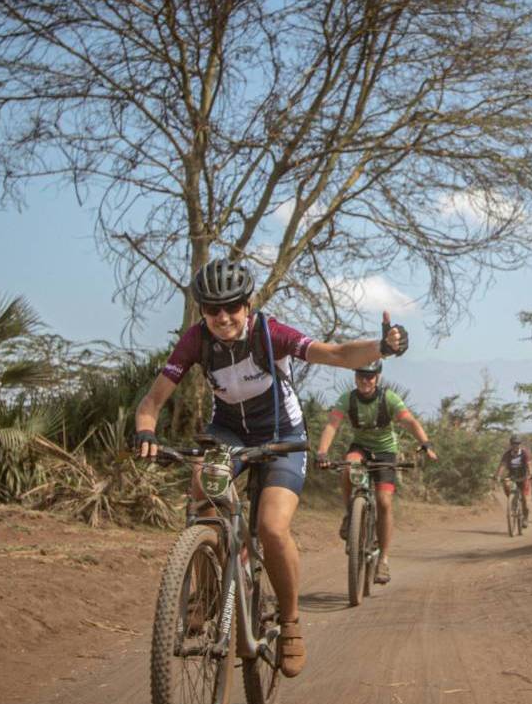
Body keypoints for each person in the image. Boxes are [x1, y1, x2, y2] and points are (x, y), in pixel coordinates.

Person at [132, 258, 408, 677]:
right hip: (228, 433)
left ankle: (291, 623)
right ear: (202, 310)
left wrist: (381, 347)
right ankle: (205, 592)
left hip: (282, 435)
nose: (223, 317)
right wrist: (145, 432)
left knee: (273, 528)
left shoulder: (269, 333)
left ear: (248, 304)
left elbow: (335, 353)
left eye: (232, 306)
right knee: (202, 492)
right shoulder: (195, 341)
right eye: (212, 309)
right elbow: (152, 401)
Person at [314, 361, 435, 585]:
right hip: (360, 448)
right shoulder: (347, 399)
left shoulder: (389, 398)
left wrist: (425, 443)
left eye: (370, 376)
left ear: (377, 377)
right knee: (348, 467)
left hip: (385, 452)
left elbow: (409, 421)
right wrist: (322, 453)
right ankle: (350, 515)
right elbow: (332, 425)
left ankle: (383, 560)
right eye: (361, 375)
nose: (365, 380)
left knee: (384, 502)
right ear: (355, 377)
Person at [496, 434, 532, 529]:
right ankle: (512, 499)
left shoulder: (524, 453)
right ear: (511, 444)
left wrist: (530, 474)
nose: (516, 445)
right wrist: (498, 476)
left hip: (523, 477)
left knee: (525, 500)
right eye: (514, 443)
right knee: (506, 483)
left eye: (517, 443)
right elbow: (503, 465)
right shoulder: (507, 454)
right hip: (512, 476)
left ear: (520, 444)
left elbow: (529, 465)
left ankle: (525, 518)